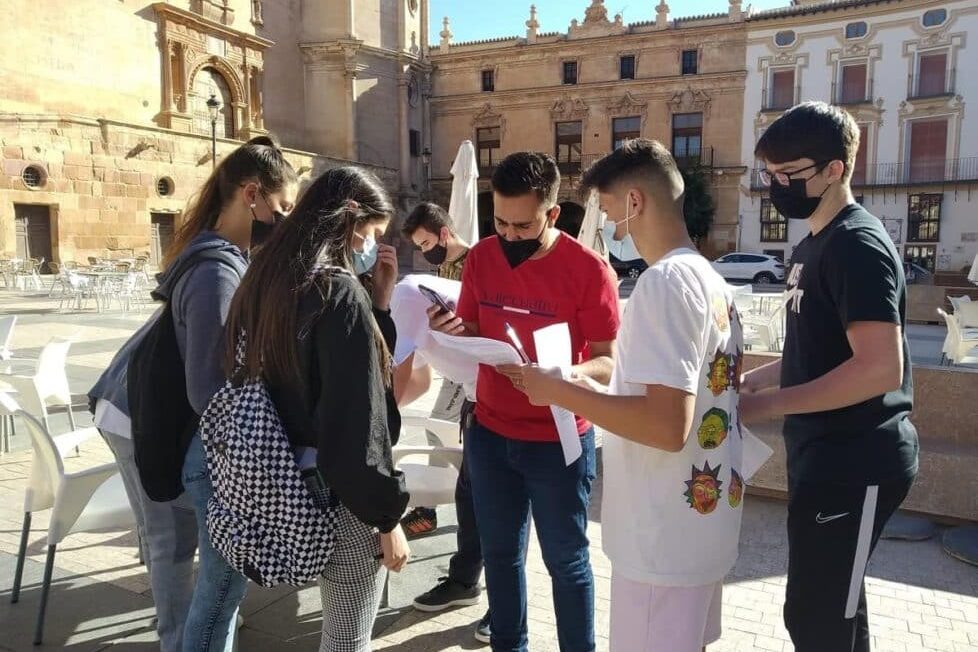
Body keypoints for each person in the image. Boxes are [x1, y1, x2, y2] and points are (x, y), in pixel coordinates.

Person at [521, 139, 745, 652]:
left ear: (635, 203)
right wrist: (597, 385)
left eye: (605, 210)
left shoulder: (663, 284)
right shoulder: (710, 278)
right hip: (700, 528)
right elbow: (683, 394)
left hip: (661, 538)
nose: (604, 227)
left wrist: (557, 390)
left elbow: (666, 426)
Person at [87, 136, 298, 652]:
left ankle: (189, 634)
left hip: (143, 405)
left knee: (179, 542)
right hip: (136, 413)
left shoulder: (217, 254)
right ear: (253, 194)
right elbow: (210, 387)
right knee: (171, 543)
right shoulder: (215, 271)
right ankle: (181, 640)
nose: (286, 220)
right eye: (284, 207)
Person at [740, 102, 919, 652]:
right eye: (769, 174)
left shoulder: (855, 244)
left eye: (788, 175)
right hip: (824, 456)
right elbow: (817, 348)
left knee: (816, 616)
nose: (776, 186)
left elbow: (878, 367)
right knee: (836, 606)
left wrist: (769, 407)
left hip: (854, 462)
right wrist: (757, 382)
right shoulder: (815, 241)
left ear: (835, 169)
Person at [429, 151, 620, 652]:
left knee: (567, 562)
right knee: (500, 556)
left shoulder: (589, 270)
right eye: (500, 223)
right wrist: (448, 330)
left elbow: (608, 360)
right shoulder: (483, 258)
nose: (508, 236)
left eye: (522, 225)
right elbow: (471, 328)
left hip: (559, 440)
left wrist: (562, 375)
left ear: (552, 214)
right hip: (490, 435)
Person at [224, 165, 411, 651]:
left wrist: (381, 303)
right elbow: (356, 420)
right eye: (370, 234)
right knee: (347, 638)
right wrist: (387, 518)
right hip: (341, 494)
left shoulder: (265, 275)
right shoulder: (337, 289)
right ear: (349, 222)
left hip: (283, 481)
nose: (370, 247)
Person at [395, 202, 491, 643]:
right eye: (418, 247)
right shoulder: (431, 282)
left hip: (499, 390)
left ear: (444, 232)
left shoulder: (481, 261)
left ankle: (504, 602)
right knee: (470, 491)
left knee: (502, 503)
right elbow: (418, 371)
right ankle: (465, 579)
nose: (425, 252)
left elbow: (491, 326)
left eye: (428, 243)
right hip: (468, 389)